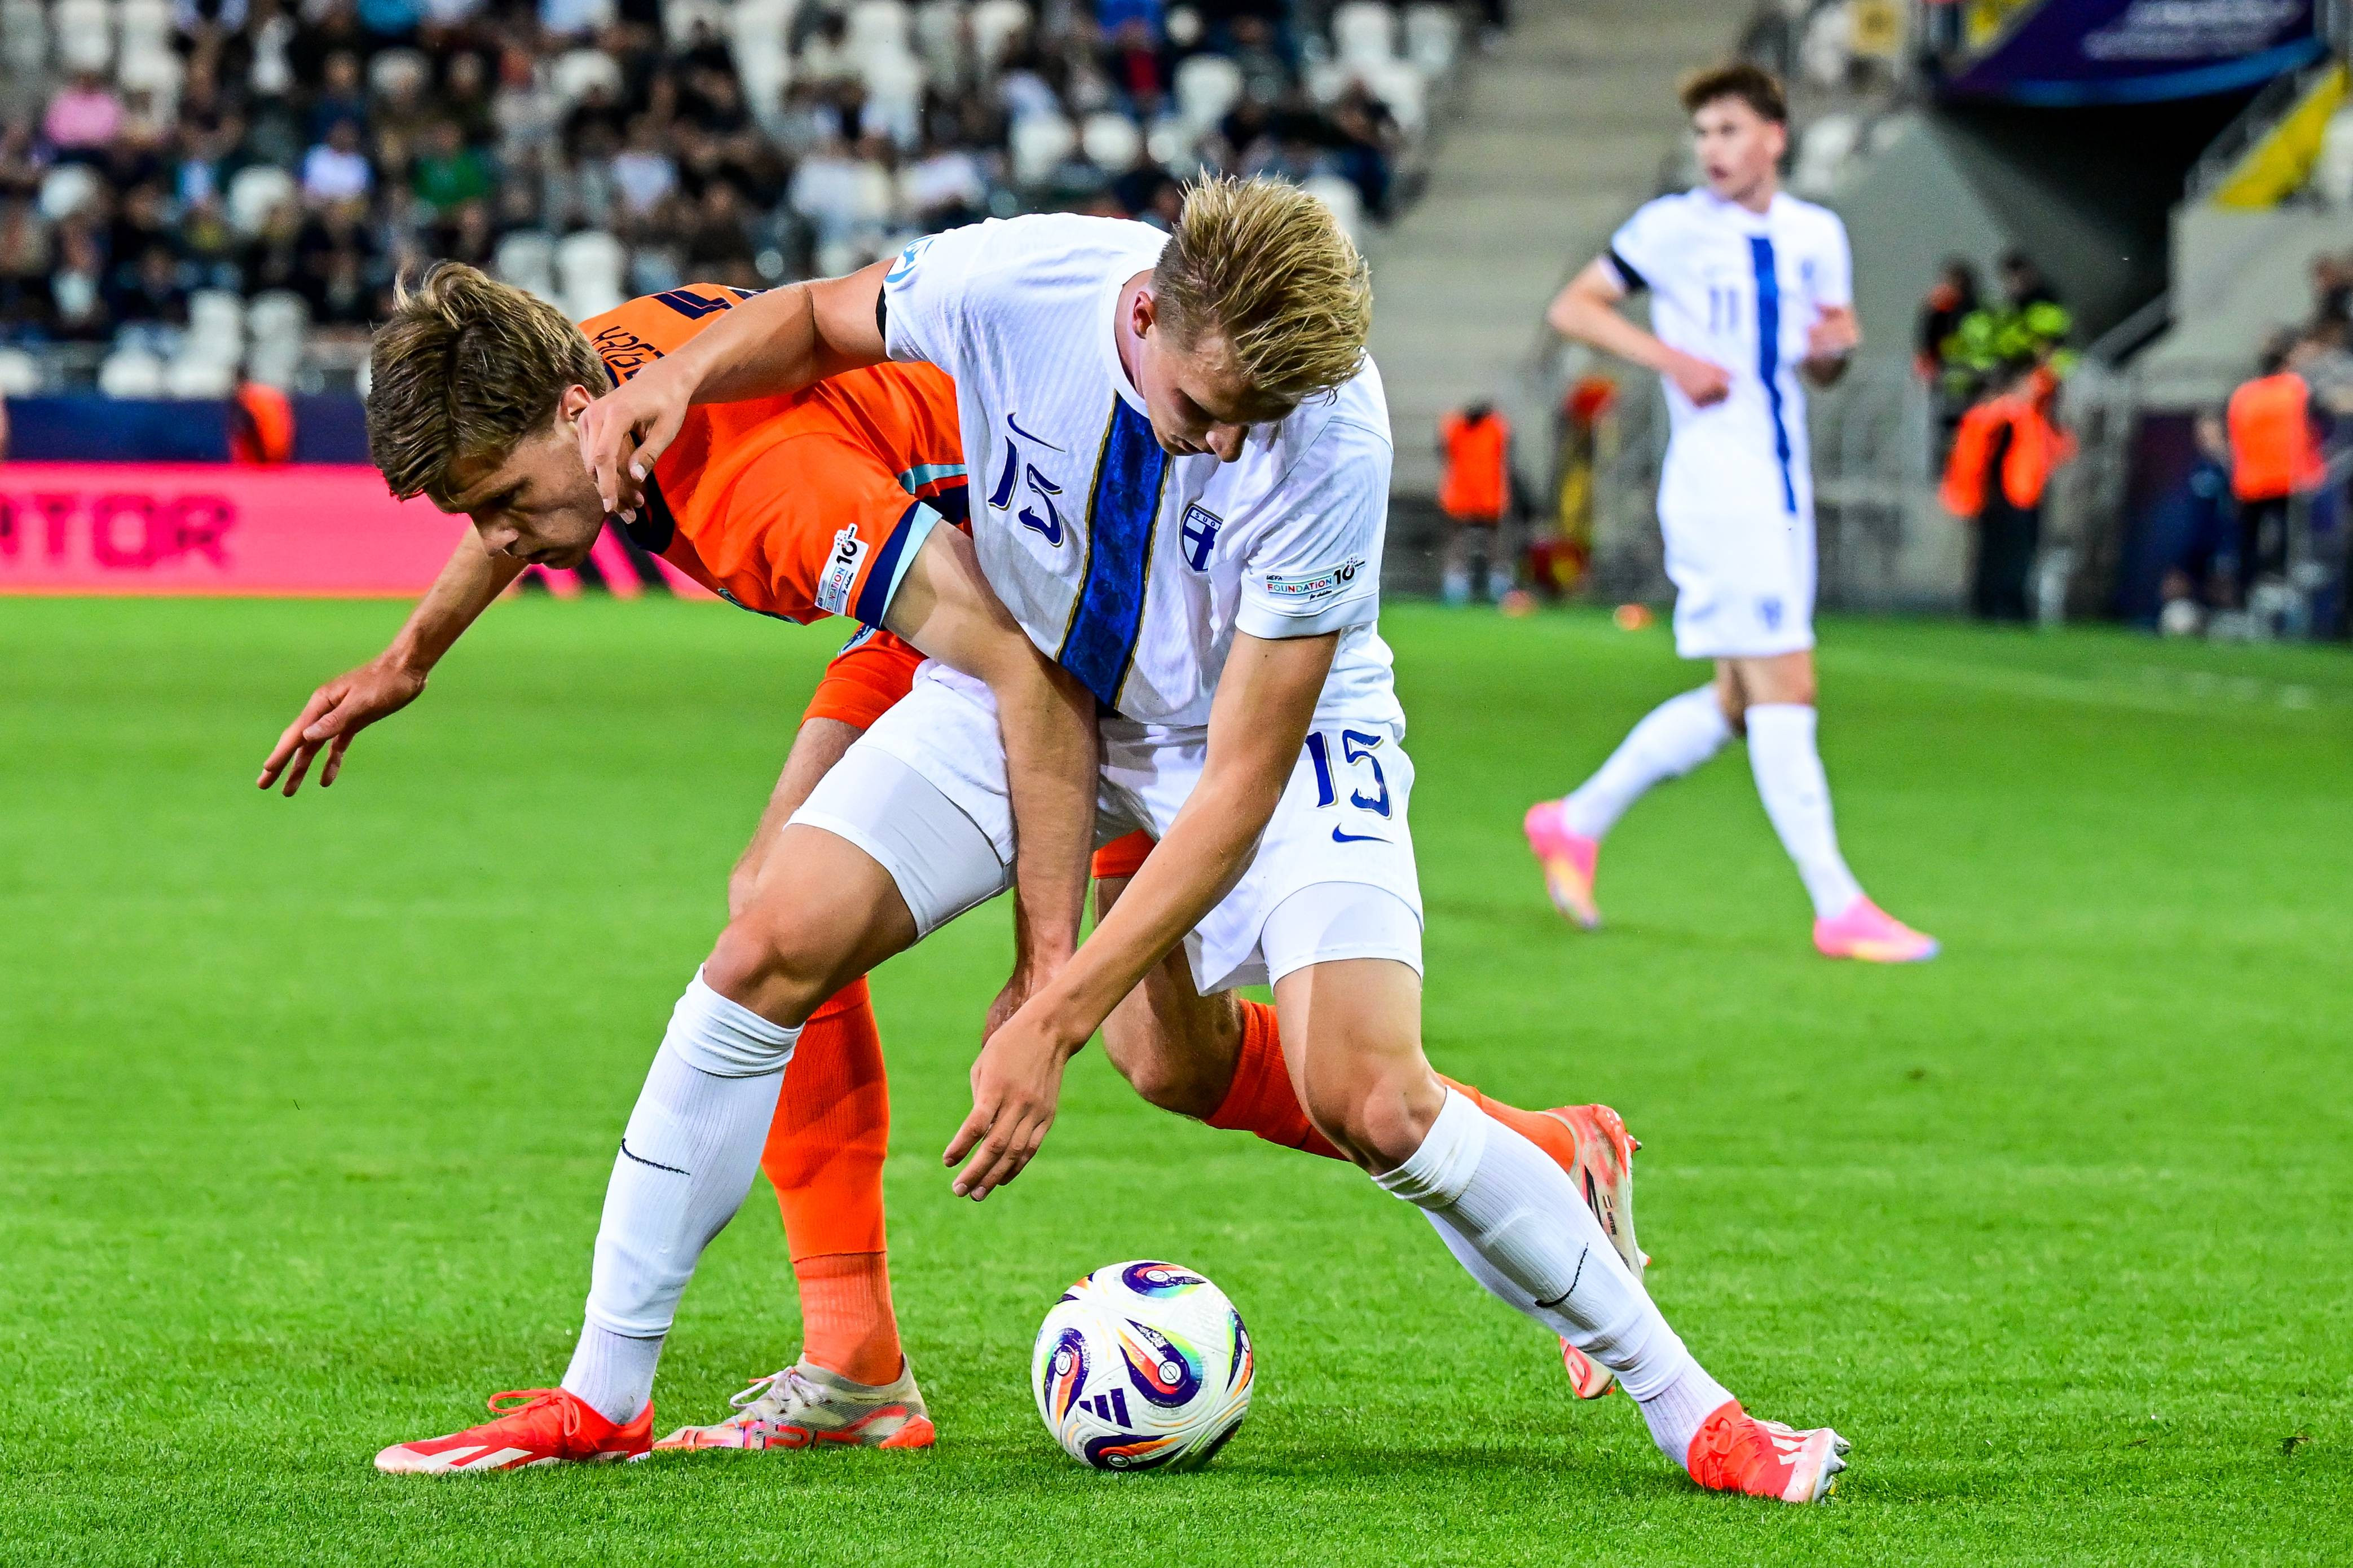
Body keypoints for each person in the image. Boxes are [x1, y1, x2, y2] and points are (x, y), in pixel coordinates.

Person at [570, 175, 1848, 1500]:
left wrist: (1053, 1004)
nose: (1232, 448)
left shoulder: (1334, 436)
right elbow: (819, 317)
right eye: (1205, 411)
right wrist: (680, 379)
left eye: (1256, 424)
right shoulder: (1021, 279)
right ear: (1141, 313)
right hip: (1040, 679)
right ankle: (602, 1392)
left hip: (1254, 724)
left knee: (1374, 1095)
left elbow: (1237, 787)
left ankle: (1693, 1409)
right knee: (776, 931)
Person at [270, 264, 1650, 1463]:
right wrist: (408, 658)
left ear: (578, 414)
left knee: (1162, 1058)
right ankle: (854, 1363)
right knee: (775, 920)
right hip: (956, 580)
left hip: (1080, 606)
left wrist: (1045, 973)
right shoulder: (597, 368)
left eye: (503, 502)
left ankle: (1543, 1148)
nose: (498, 537)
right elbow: (536, 506)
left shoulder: (766, 496)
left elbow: (1019, 660)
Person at [1526, 63, 1936, 965]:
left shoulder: (1817, 234)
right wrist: (1670, 357)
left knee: (1741, 704)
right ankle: (1839, 906)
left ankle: (1573, 819)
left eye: (1729, 131)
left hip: (1781, 486)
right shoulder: (1672, 228)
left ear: (1774, 138)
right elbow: (1576, 306)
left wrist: (1836, 352)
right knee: (1787, 686)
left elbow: (1823, 358)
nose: (1712, 149)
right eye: (1704, 133)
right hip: (1721, 489)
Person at [1940, 364, 2072, 622]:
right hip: (2008, 496)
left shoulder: (2024, 415)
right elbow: (1989, 458)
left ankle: (1998, 606)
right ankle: (2000, 607)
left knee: (2006, 555)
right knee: (2007, 557)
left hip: (2020, 495)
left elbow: (2055, 448)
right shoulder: (2006, 414)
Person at [2225, 337, 2326, 608]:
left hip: (2250, 480)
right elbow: (2317, 420)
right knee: (2286, 542)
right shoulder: (2294, 389)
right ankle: (2279, 591)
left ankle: (2243, 599)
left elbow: (2233, 437)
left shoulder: (2244, 394)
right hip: (2284, 479)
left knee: (2248, 544)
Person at [1437, 400, 1513, 604]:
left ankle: (1498, 588)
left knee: (1493, 544)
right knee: (1460, 544)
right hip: (1465, 495)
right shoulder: (1459, 428)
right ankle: (1457, 588)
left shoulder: (1492, 428)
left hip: (1486, 495)